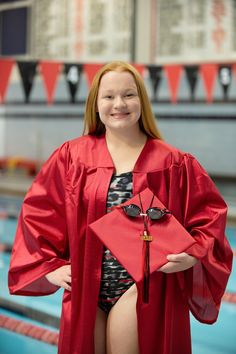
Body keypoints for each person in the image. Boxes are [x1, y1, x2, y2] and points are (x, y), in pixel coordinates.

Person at [8, 61, 232, 354]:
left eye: (128, 95)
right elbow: (38, 213)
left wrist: (192, 254)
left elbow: (210, 217)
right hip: (86, 285)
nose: (119, 104)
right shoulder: (72, 157)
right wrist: (50, 268)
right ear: (96, 104)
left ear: (142, 100)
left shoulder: (173, 162)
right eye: (109, 96)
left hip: (140, 288)